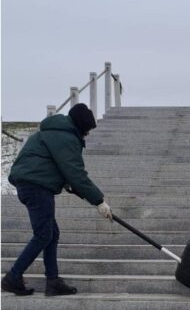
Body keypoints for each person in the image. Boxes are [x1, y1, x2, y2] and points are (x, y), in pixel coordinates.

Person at [1, 103, 112, 296]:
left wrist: (69, 184)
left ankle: (53, 281)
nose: (87, 135)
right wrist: (99, 200)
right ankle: (13, 276)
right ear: (81, 126)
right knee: (44, 235)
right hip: (37, 187)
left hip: (32, 184)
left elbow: (59, 169)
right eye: (87, 130)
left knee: (51, 233)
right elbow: (76, 174)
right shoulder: (66, 138)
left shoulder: (53, 132)